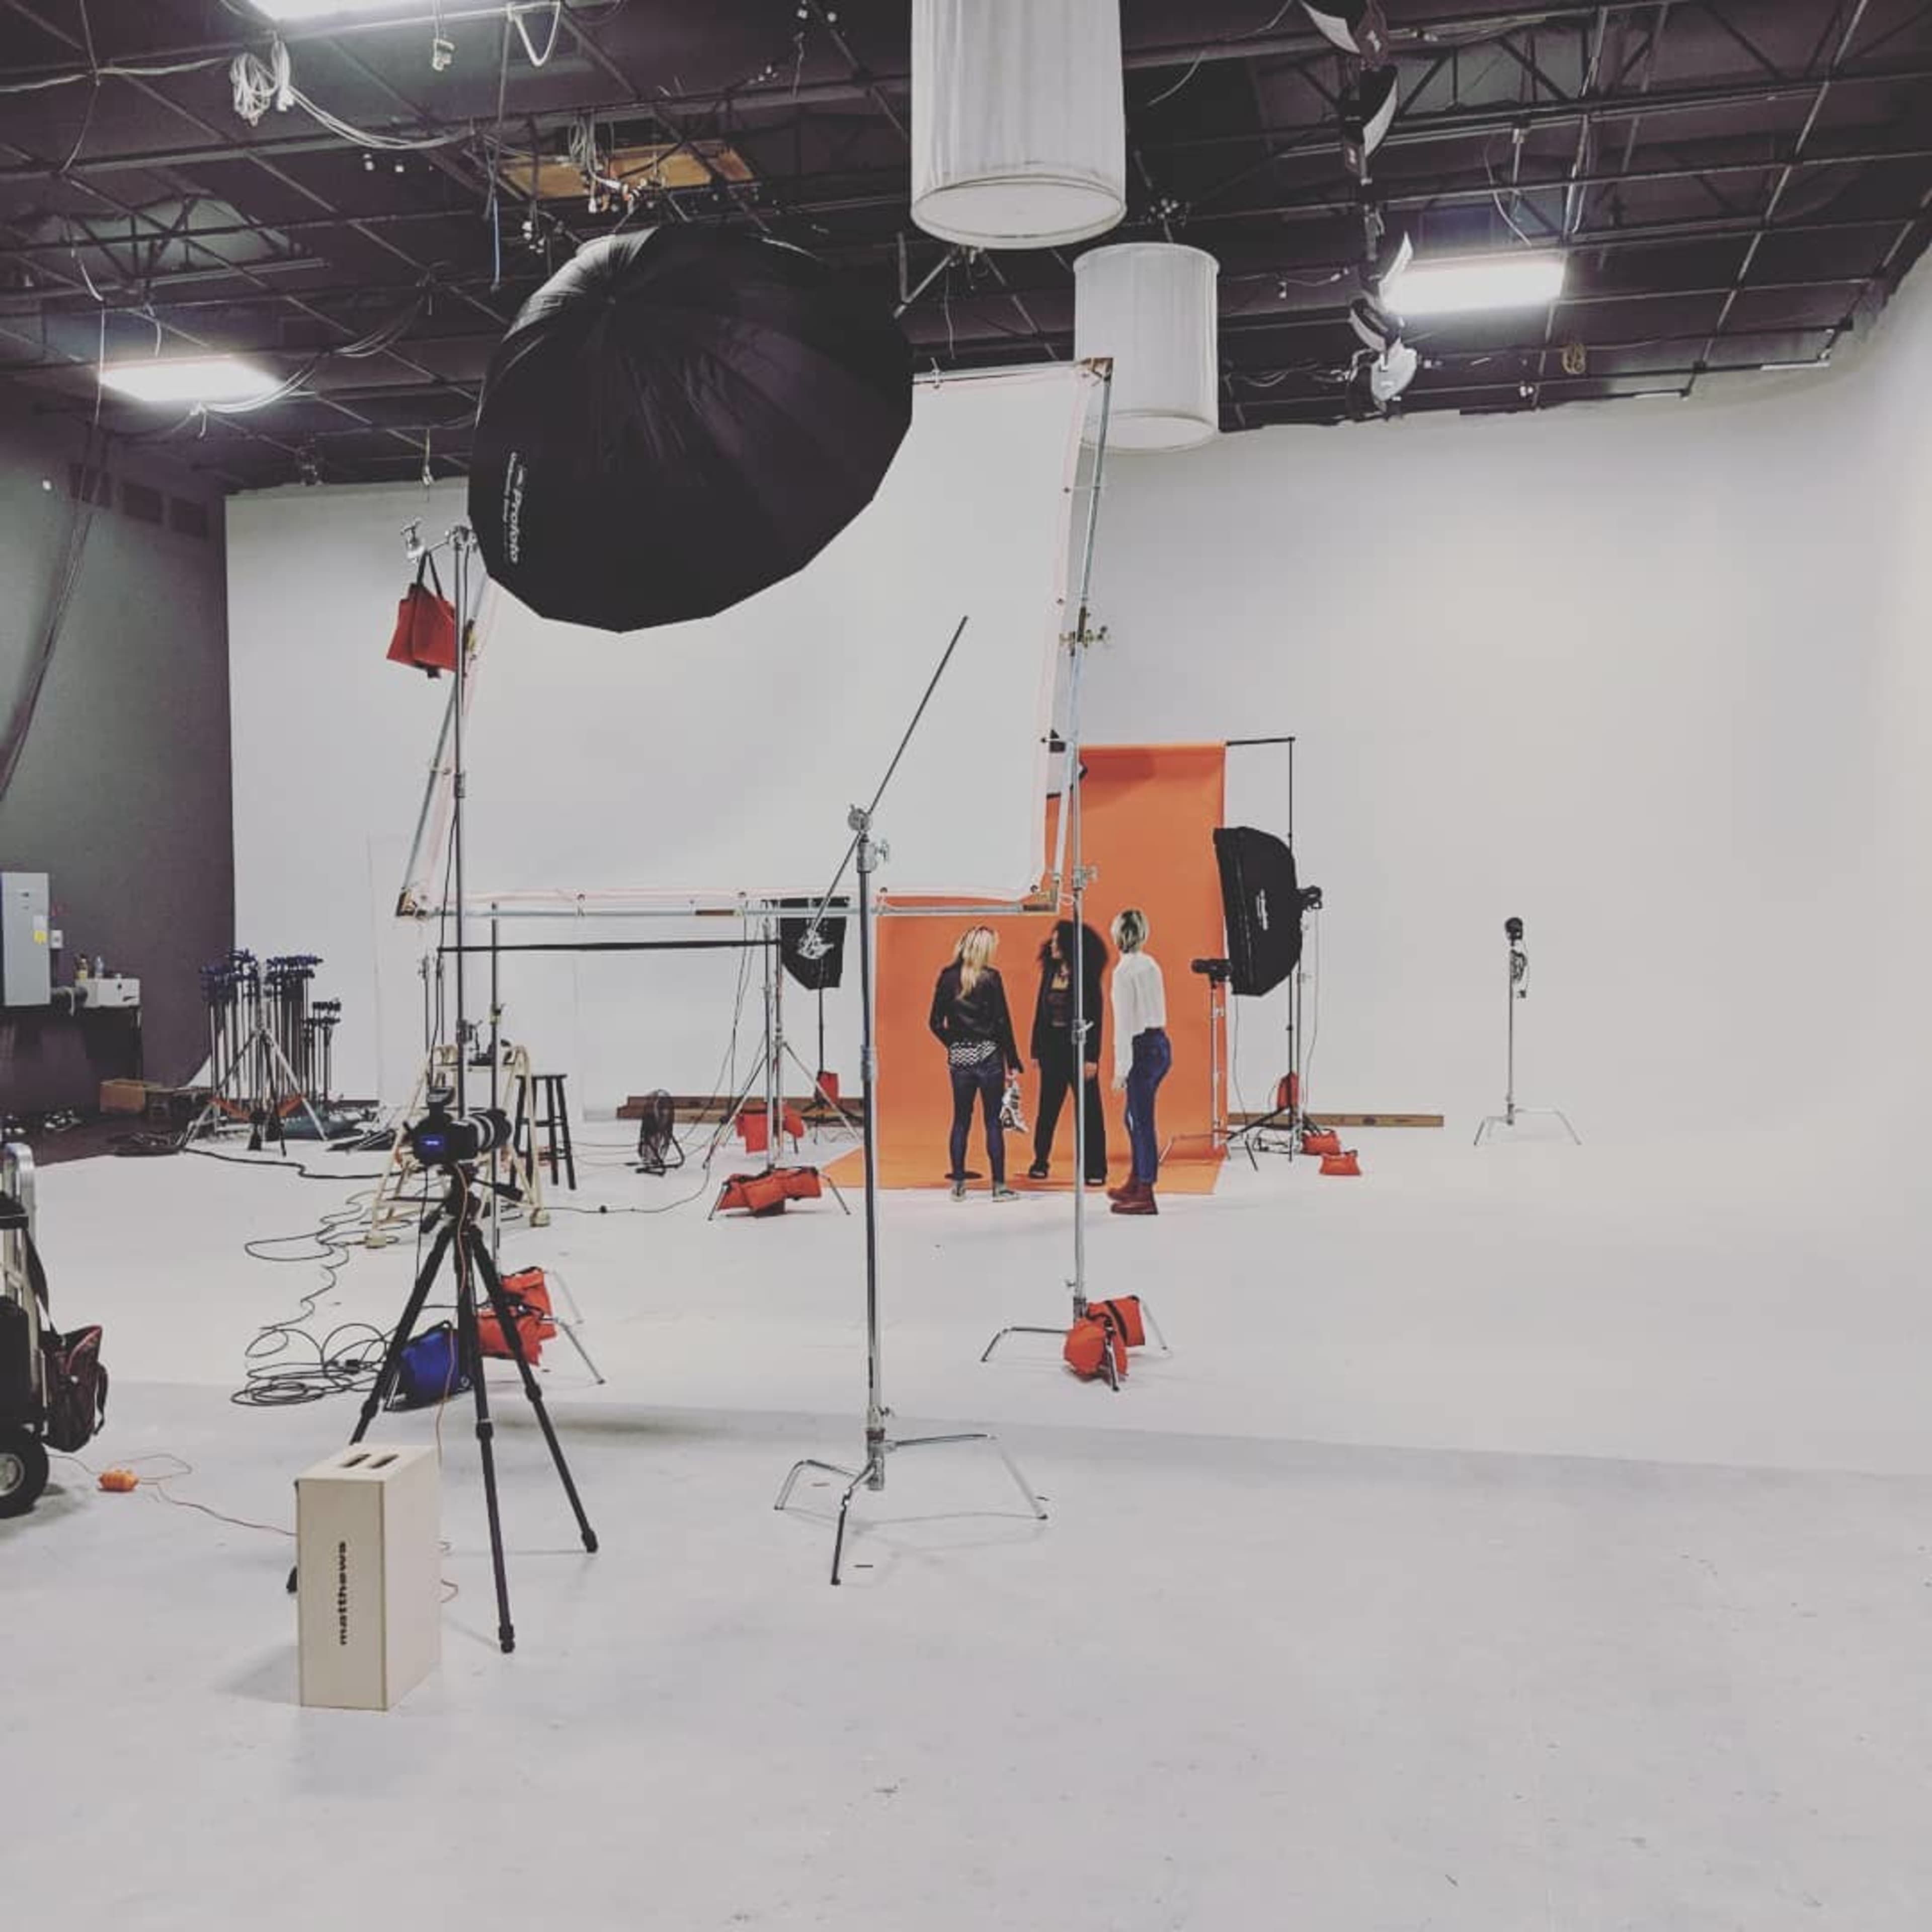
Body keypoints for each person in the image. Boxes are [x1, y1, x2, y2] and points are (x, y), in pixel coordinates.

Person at [929, 925, 1024, 1201]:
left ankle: (958, 1186)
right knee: (993, 1122)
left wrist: (956, 1044)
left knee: (961, 1121)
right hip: (990, 1056)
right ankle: (999, 1187)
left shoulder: (947, 978)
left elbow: (934, 1023)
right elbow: (1003, 1023)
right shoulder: (991, 978)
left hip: (961, 1059)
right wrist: (1013, 1060)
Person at [1027, 920, 1108, 1185]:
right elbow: (1040, 1012)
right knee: (1047, 1110)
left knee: (1090, 1111)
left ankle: (1095, 1169)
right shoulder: (1050, 973)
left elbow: (1096, 1016)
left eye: (1056, 941)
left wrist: (1092, 1057)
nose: (1051, 945)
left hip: (1079, 1049)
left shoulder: (1086, 976)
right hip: (1052, 1051)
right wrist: (1036, 1049)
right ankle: (1040, 1161)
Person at [1108, 907, 1170, 1216]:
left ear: (1118, 935)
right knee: (1134, 1118)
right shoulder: (1150, 964)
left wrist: (1121, 1069)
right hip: (1160, 1044)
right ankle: (1136, 1180)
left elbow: (1125, 1024)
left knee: (1140, 1121)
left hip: (1140, 1048)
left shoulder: (1123, 973)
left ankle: (1145, 1192)